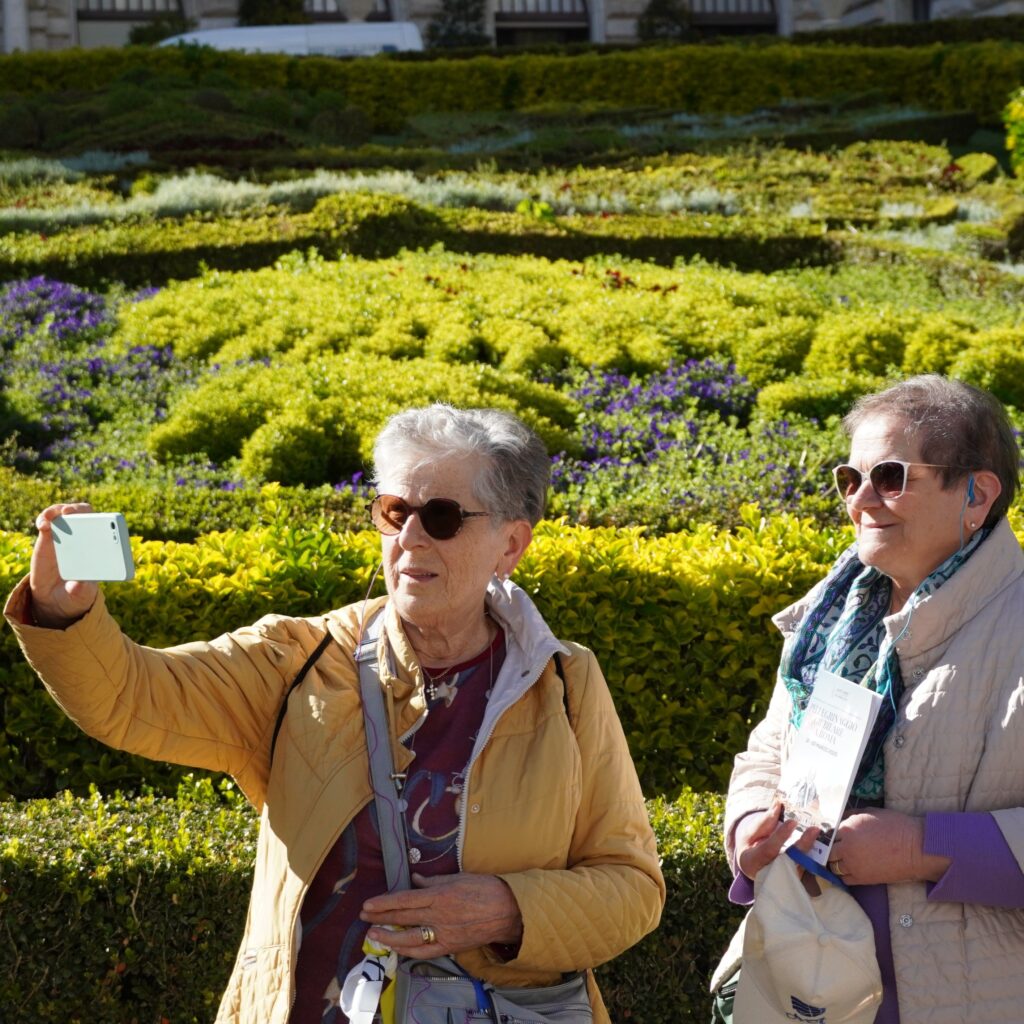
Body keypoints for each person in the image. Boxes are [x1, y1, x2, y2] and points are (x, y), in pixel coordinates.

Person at [5, 403, 665, 1024]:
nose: (409, 538)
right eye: (392, 510)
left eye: (440, 517)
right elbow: (129, 697)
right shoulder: (296, 659)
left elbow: (632, 887)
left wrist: (509, 910)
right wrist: (67, 613)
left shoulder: (566, 681)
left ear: (510, 544)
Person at [723, 374, 1024, 1023]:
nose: (862, 501)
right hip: (808, 978)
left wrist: (925, 847)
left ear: (978, 493)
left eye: (890, 477)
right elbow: (768, 752)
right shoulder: (833, 614)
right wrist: (749, 830)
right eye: (848, 479)